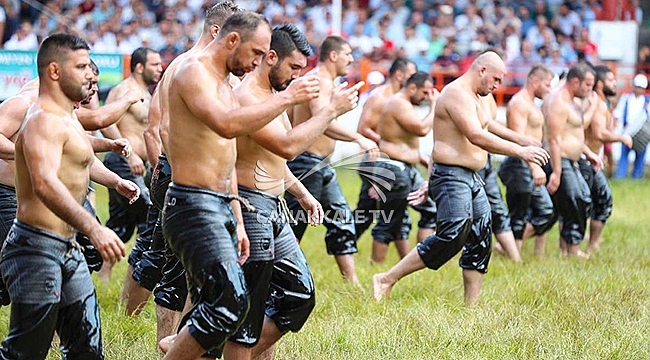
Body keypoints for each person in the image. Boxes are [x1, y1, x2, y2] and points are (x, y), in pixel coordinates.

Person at [160, 11, 319, 360]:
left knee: (227, 303)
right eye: (257, 54)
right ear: (232, 40)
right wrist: (292, 99)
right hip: (192, 203)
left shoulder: (224, 84)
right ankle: (179, 345)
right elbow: (226, 125)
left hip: (224, 205)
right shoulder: (193, 71)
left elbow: (228, 159)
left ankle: (182, 343)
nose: (259, 63)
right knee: (229, 301)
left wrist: (237, 216)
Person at [372, 52, 549, 305]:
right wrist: (521, 151)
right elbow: (476, 135)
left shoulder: (475, 97)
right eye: (496, 79)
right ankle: (386, 278)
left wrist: (521, 138)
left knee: (480, 234)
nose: (497, 85)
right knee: (452, 234)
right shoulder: (456, 94)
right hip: (452, 176)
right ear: (482, 70)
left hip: (470, 176)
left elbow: (487, 126)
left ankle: (470, 307)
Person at [230, 24, 362, 360]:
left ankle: (209, 349)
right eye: (293, 68)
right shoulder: (247, 96)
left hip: (273, 206)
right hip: (249, 204)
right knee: (249, 309)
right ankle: (207, 349)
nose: (295, 77)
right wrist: (332, 109)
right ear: (270, 57)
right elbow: (288, 147)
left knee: (298, 295)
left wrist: (302, 193)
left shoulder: (275, 96)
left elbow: (276, 159)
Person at [0, 33, 135, 360]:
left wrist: (116, 181)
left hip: (66, 246)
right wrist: (95, 227)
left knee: (87, 348)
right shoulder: (41, 117)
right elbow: (45, 183)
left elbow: (83, 158)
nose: (91, 74)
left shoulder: (66, 116)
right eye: (81, 67)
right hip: (35, 248)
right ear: (55, 72)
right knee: (25, 352)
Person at [140, 1, 242, 342]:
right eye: (235, 36)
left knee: (185, 268)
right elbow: (160, 128)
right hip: (183, 179)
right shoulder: (186, 67)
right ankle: (167, 343)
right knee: (172, 268)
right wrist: (175, 171)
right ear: (217, 31)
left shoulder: (210, 71)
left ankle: (183, 340)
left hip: (193, 178)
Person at [285, 36, 378, 286]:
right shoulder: (317, 80)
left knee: (342, 221)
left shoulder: (326, 82)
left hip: (320, 165)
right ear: (334, 55)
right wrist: (360, 138)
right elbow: (323, 122)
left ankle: (352, 284)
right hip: (305, 164)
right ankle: (278, 282)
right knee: (293, 229)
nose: (351, 59)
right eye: (348, 54)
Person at [101, 47, 162, 313]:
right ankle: (138, 275)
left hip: (139, 165)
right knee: (149, 216)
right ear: (139, 67)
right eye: (155, 64)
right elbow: (106, 122)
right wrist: (127, 154)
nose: (160, 68)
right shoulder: (123, 90)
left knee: (120, 223)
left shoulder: (147, 93)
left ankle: (104, 276)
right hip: (124, 164)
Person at [368, 71, 438, 263]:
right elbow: (422, 129)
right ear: (412, 87)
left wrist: (420, 159)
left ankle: (420, 261)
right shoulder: (398, 102)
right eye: (425, 92)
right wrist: (434, 106)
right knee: (389, 221)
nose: (426, 97)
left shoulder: (403, 103)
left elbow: (405, 140)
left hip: (404, 168)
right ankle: (375, 267)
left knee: (428, 211)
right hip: (393, 168)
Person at [354, 57, 416, 244]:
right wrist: (387, 142)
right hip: (376, 160)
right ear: (399, 75)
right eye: (411, 75)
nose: (416, 79)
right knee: (367, 215)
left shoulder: (402, 99)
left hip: (394, 162)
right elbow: (363, 128)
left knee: (395, 214)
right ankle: (342, 243)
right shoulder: (380, 97)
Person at [543, 63, 602, 257]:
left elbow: (575, 132)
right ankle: (571, 250)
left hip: (573, 160)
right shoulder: (559, 102)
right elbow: (554, 138)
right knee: (575, 201)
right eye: (587, 84)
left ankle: (569, 249)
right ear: (575, 82)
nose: (590, 89)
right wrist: (557, 172)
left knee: (580, 201)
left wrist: (589, 153)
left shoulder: (573, 102)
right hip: (561, 160)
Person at [499, 65, 556, 256]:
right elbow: (518, 138)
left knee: (545, 212)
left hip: (528, 163)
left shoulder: (531, 103)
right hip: (519, 164)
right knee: (520, 214)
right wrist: (534, 167)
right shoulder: (519, 103)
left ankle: (508, 248)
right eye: (547, 84)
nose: (549, 89)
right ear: (535, 82)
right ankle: (511, 254)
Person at [580, 65, 633, 253]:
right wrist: (621, 137)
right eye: (611, 80)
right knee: (600, 201)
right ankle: (586, 245)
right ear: (600, 84)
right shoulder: (598, 104)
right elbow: (598, 133)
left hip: (591, 160)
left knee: (594, 202)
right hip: (584, 160)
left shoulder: (602, 104)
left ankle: (589, 242)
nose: (614, 83)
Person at [613, 73, 649, 179]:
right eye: (637, 87)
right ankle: (620, 176)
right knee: (623, 156)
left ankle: (637, 177)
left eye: (641, 88)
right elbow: (618, 112)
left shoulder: (647, 101)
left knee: (640, 156)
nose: (639, 89)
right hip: (627, 132)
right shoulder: (626, 98)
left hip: (642, 134)